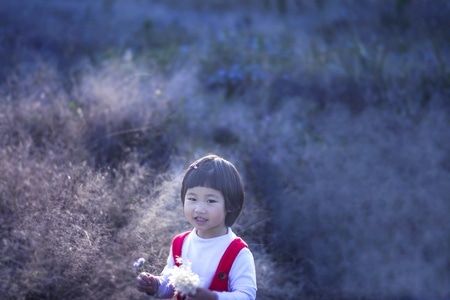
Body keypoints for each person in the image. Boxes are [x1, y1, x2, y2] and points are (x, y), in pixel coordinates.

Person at [136, 154, 257, 300]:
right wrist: (155, 284)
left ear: (230, 204)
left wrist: (212, 297)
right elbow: (171, 284)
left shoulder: (238, 253)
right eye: (192, 199)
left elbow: (247, 296)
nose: (199, 209)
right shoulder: (180, 243)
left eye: (210, 201)